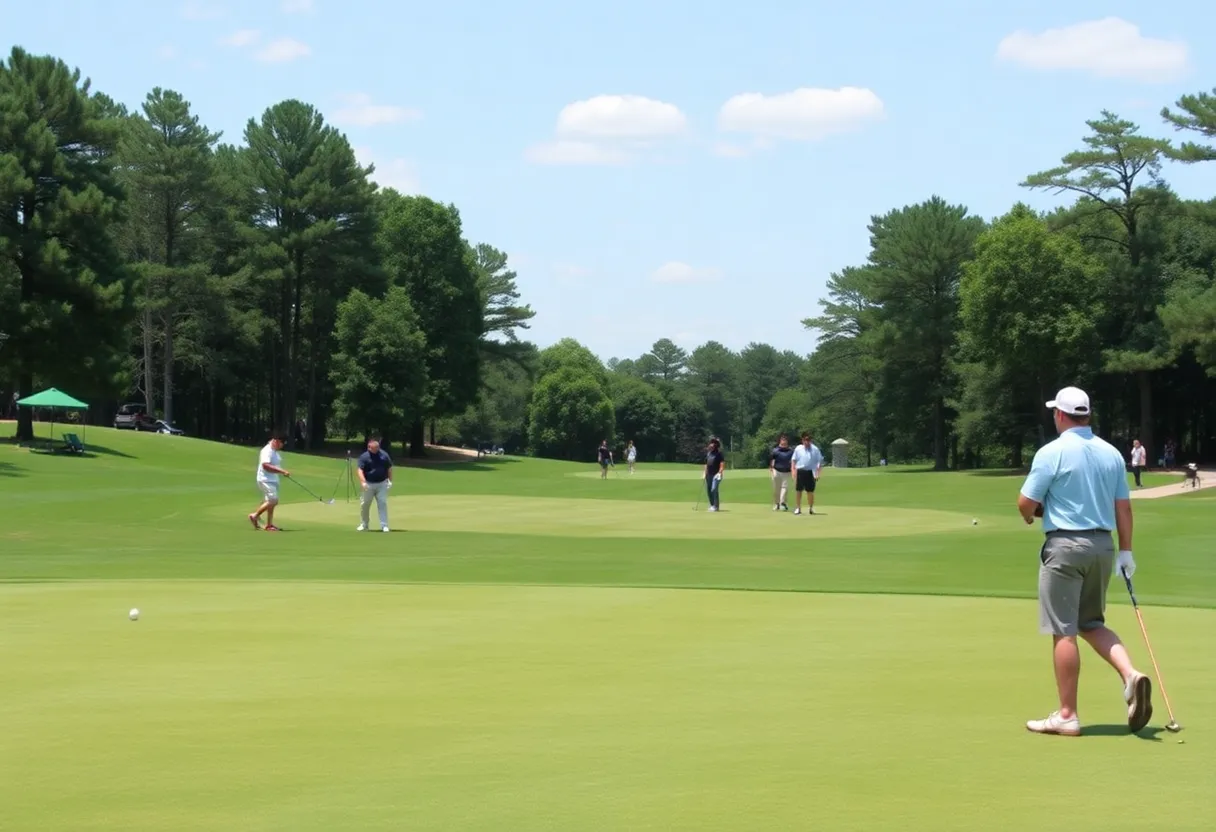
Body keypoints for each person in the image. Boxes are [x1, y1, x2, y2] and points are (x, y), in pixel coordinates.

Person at [1017, 386, 1153, 737]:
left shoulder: (1052, 452)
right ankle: (1130, 675)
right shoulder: (1111, 453)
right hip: (1104, 547)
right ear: (1086, 414)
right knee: (1090, 622)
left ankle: (1067, 715)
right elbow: (1123, 507)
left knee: (1063, 631)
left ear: (1060, 415)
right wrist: (1127, 551)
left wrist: (1033, 516)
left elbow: (1025, 504)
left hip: (1064, 546)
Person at [249, 433, 290, 532]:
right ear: (276, 440)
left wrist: (281, 472)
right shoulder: (267, 451)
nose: (282, 445)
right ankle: (255, 515)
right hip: (265, 479)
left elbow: (274, 465)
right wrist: (282, 471)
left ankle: (269, 525)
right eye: (282, 443)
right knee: (273, 500)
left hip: (272, 480)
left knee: (271, 502)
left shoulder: (274, 451)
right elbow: (265, 465)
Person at [357, 437, 394, 532]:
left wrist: (390, 480)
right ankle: (364, 524)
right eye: (375, 448)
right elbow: (360, 470)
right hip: (368, 484)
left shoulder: (384, 455)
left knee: (382, 503)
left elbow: (389, 468)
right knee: (365, 504)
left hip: (382, 483)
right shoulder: (364, 457)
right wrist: (363, 482)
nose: (377, 449)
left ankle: (384, 525)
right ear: (369, 447)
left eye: (378, 447)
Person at [791, 432, 823, 515]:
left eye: (808, 440)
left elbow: (819, 461)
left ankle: (811, 508)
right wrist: (793, 470)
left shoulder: (815, 449)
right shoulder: (798, 448)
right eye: (805, 440)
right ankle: (798, 508)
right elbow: (794, 460)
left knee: (810, 491)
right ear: (802, 440)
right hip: (800, 471)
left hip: (810, 471)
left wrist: (818, 473)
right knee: (798, 490)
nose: (807, 442)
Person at [769, 433, 795, 511]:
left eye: (785, 440)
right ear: (780, 441)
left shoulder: (791, 451)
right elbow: (771, 459)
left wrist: (793, 469)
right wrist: (771, 468)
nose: (784, 441)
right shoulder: (775, 450)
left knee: (785, 488)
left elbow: (793, 460)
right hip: (776, 471)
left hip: (787, 472)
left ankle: (782, 502)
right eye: (782, 440)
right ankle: (777, 504)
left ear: (787, 441)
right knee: (777, 488)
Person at [703, 437, 725, 511]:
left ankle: (716, 506)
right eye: (711, 443)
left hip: (716, 475)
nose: (711, 444)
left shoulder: (719, 454)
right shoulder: (708, 453)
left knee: (714, 489)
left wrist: (720, 472)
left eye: (713, 443)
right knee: (709, 490)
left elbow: (722, 464)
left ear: (716, 445)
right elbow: (706, 464)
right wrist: (704, 472)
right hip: (709, 474)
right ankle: (712, 505)